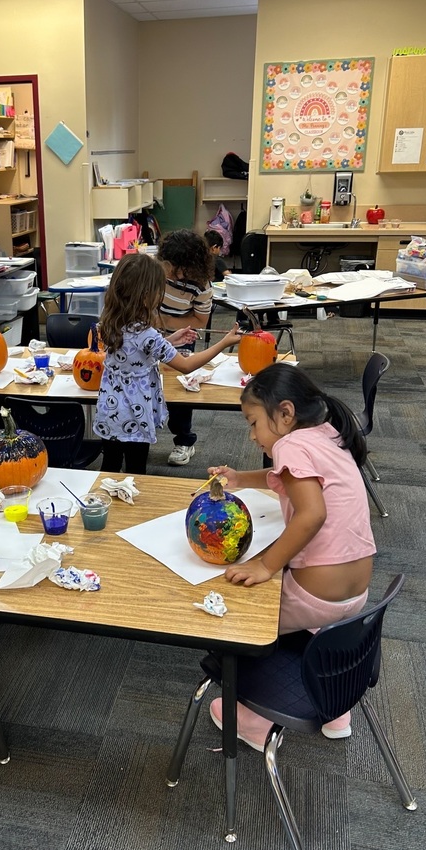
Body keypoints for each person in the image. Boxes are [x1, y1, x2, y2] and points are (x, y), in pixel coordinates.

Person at [206, 363, 376, 751]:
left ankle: (253, 720)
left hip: (317, 597)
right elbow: (291, 480)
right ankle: (336, 709)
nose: (252, 435)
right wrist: (239, 478)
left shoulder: (289, 444)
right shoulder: (326, 433)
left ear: (285, 413)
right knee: (308, 620)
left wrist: (266, 565)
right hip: (356, 600)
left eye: (253, 423)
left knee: (231, 612)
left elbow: (313, 513)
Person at [94, 253, 241, 474]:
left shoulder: (109, 323)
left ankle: (104, 505)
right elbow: (186, 365)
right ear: (146, 295)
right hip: (136, 414)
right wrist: (224, 342)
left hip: (111, 410)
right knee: (136, 470)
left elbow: (132, 356)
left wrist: (169, 341)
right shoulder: (148, 334)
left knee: (110, 466)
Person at [158, 229, 216, 466]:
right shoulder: (157, 272)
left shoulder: (201, 287)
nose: (170, 271)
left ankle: (184, 440)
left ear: (190, 265)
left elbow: (200, 321)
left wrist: (162, 323)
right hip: (147, 335)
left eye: (175, 266)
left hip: (181, 337)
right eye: (167, 264)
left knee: (178, 391)